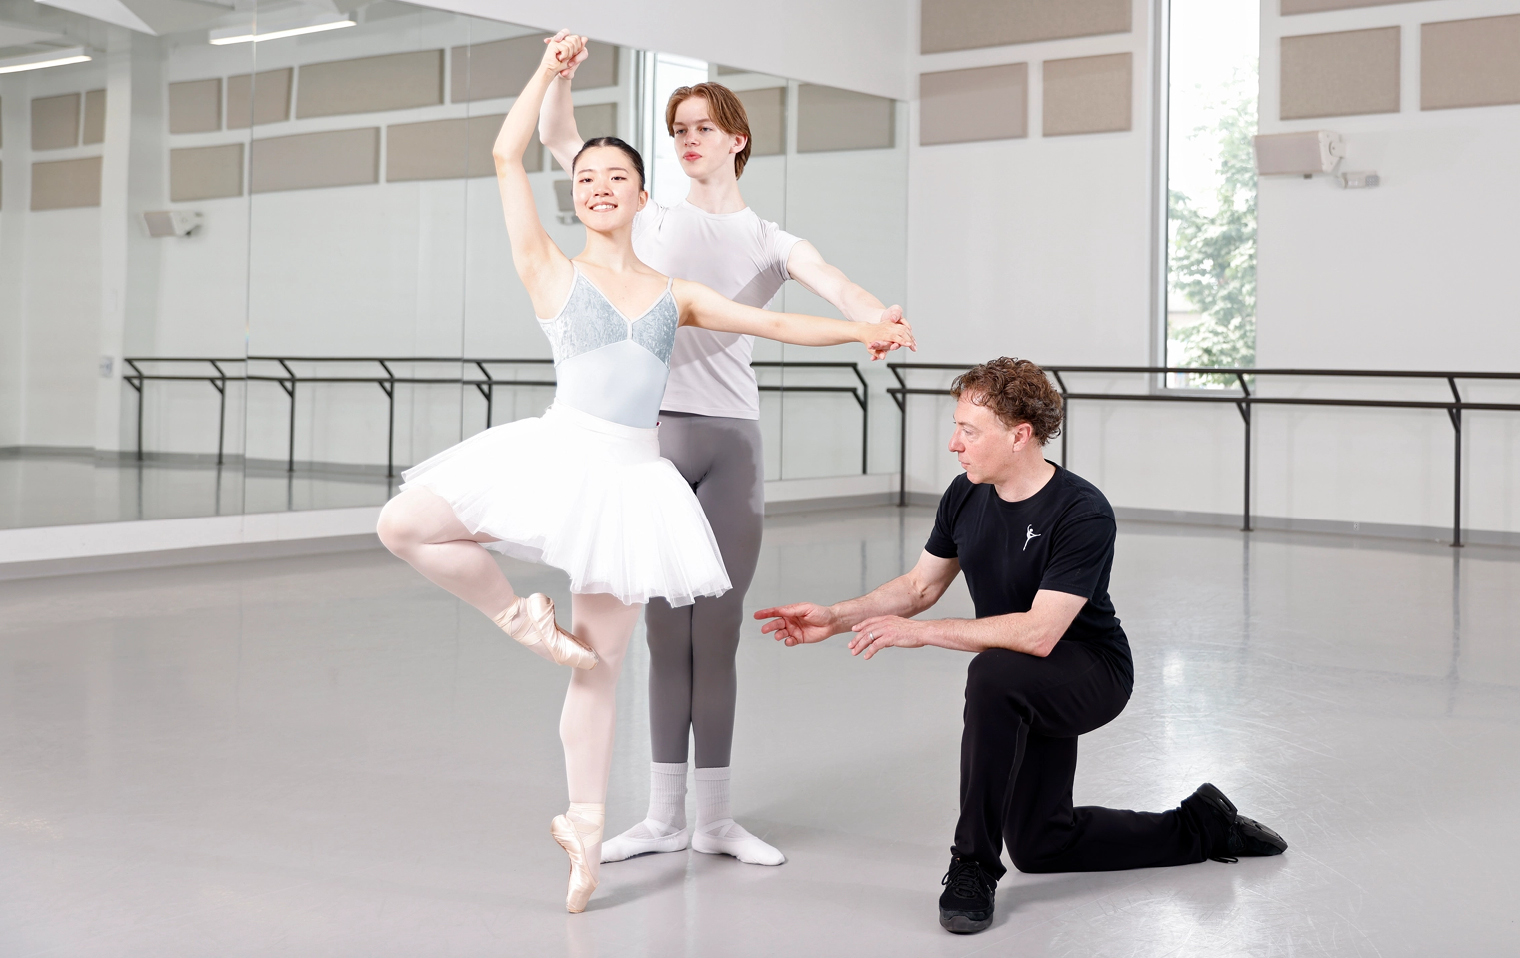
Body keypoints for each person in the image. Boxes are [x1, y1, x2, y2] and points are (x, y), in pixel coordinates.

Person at [374, 33, 914, 914]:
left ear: (640, 195)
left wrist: (864, 328)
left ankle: (587, 837)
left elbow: (778, 326)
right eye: (585, 181)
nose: (596, 187)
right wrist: (551, 71)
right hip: (559, 453)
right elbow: (512, 151)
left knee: (604, 665)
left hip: (634, 478)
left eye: (613, 178)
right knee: (403, 524)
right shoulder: (549, 266)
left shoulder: (680, 287)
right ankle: (523, 622)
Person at [537, 35, 905, 868]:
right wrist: (558, 76)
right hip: (655, 439)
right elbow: (562, 141)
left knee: (720, 630)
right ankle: (663, 817)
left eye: (703, 127)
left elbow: (836, 285)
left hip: (732, 444)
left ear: (738, 139)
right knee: (669, 635)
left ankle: (716, 821)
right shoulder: (651, 216)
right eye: (677, 130)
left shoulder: (772, 240)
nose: (687, 140)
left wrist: (878, 315)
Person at [755, 358, 1285, 934]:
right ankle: (1204, 826)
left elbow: (1040, 632)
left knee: (994, 677)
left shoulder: (1081, 510)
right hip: (1020, 673)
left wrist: (924, 634)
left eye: (969, 431)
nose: (953, 444)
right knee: (1042, 844)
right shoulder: (964, 496)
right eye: (956, 427)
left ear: (1020, 435)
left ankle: (971, 866)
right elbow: (918, 587)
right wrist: (834, 617)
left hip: (1090, 670)